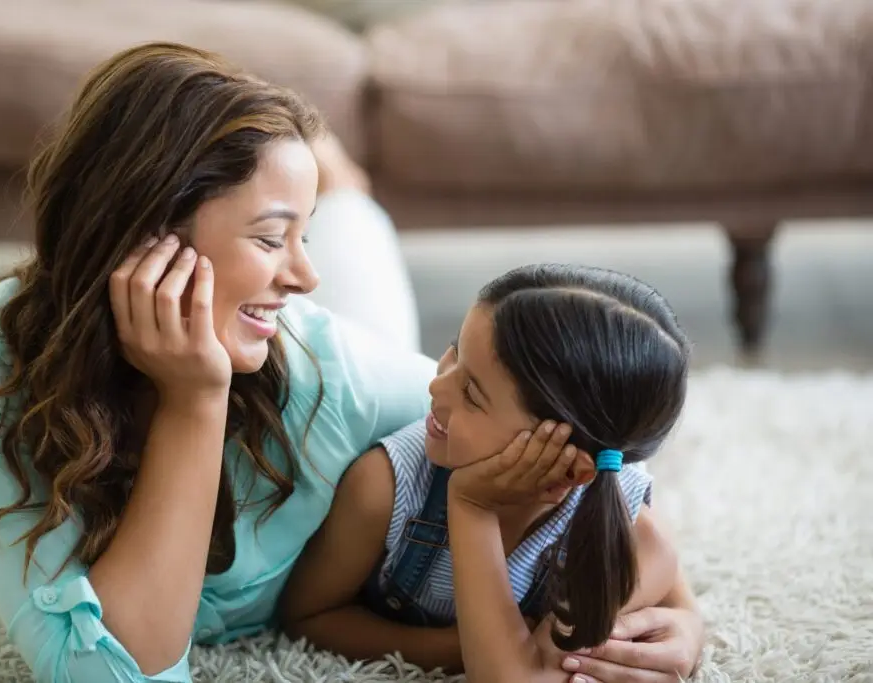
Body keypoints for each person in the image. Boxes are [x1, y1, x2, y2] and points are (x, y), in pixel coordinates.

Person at [0, 41, 704, 683]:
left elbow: (562, 434)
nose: (303, 271)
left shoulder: (334, 368)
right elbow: (111, 674)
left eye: (300, 234)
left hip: (320, 338)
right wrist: (194, 400)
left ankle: (337, 190)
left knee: (352, 250)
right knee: (338, 253)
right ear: (145, 234)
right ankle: (330, 183)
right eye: (269, 237)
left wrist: (684, 610)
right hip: (259, 329)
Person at [281, 264, 697, 683]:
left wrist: (691, 625)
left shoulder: (630, 539)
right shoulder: (386, 486)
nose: (436, 387)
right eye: (454, 351)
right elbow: (308, 615)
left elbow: (515, 679)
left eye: (472, 395)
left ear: (570, 467)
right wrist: (460, 645)